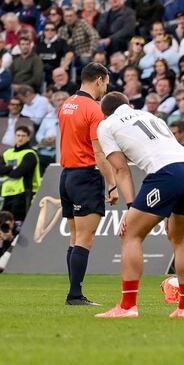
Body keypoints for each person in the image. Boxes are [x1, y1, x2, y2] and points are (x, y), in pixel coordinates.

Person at [94, 92, 184, 319]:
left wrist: (130, 207)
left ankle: (127, 307)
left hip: (167, 172)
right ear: (129, 106)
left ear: (104, 112)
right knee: (181, 239)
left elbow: (121, 169)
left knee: (131, 235)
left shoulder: (106, 125)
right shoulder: (151, 116)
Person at [58, 63, 116, 306]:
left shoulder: (66, 104)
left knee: (74, 238)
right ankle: (75, 295)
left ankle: (74, 293)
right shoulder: (94, 109)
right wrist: (112, 184)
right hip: (86, 176)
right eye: (106, 83)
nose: (106, 89)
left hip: (66, 176)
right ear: (100, 80)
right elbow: (99, 153)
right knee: (85, 238)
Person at [0, 126, 40, 222]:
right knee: (4, 223)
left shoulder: (30, 154)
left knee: (19, 223)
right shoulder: (7, 153)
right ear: (15, 136)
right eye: (18, 135)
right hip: (7, 192)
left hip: (23, 193)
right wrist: (11, 167)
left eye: (23, 135)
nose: (20, 138)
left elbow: (17, 173)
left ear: (28, 137)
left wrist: (6, 169)